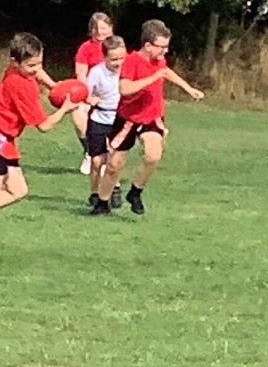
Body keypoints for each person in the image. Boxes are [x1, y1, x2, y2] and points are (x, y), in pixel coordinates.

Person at [0, 32, 80, 257]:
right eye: (31, 65)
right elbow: (43, 125)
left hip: (5, 141)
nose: (36, 69)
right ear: (15, 62)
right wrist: (64, 109)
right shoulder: (21, 86)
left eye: (39, 62)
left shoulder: (18, 70)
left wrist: (54, 86)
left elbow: (39, 72)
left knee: (19, 190)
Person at [101, 20, 204, 215]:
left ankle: (135, 192)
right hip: (128, 118)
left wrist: (189, 89)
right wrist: (154, 77)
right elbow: (125, 89)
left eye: (167, 46)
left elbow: (166, 72)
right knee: (114, 165)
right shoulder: (131, 61)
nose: (165, 51)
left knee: (153, 155)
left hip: (151, 116)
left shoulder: (159, 61)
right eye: (161, 47)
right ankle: (102, 202)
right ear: (148, 46)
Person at [85, 35, 127, 214]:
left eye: (121, 58)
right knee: (96, 161)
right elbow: (86, 93)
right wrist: (90, 99)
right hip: (99, 119)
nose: (118, 63)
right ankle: (95, 192)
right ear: (104, 58)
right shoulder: (96, 72)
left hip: (119, 119)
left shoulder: (128, 71)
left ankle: (113, 189)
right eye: (114, 59)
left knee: (114, 160)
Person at [71, 13, 114, 175]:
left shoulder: (116, 47)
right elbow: (81, 74)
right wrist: (88, 96)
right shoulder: (86, 48)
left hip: (113, 95)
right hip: (92, 93)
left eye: (103, 28)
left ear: (110, 29)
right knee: (77, 110)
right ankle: (90, 151)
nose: (99, 32)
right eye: (95, 28)